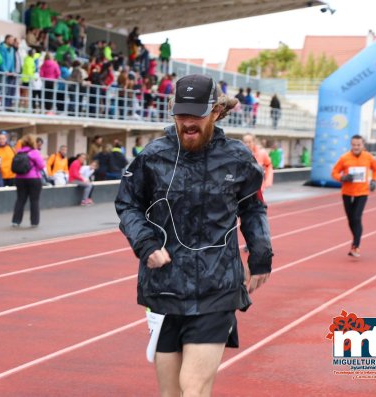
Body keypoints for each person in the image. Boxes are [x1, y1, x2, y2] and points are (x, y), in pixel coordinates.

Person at [115, 74, 272, 397]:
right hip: (164, 286)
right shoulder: (153, 156)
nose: (187, 123)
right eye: (181, 114)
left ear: (215, 111)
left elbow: (253, 209)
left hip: (217, 286)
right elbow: (127, 203)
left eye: (196, 115)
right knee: (171, 393)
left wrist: (261, 255)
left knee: (193, 387)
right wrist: (146, 244)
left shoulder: (237, 158)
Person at [331, 135, 376, 258]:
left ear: (363, 145)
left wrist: (374, 181)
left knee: (357, 217)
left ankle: (356, 245)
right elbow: (334, 172)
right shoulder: (344, 158)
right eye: (354, 145)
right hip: (347, 192)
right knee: (351, 219)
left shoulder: (369, 157)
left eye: (358, 145)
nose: (356, 147)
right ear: (351, 145)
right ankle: (355, 241)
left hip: (362, 192)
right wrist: (342, 178)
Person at [12, 134, 45, 227]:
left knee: (20, 200)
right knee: (34, 200)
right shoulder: (34, 152)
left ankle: (16, 221)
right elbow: (42, 165)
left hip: (19, 179)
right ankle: (34, 222)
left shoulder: (19, 152)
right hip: (33, 178)